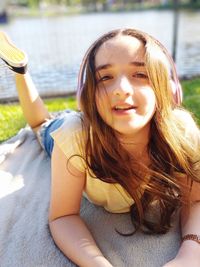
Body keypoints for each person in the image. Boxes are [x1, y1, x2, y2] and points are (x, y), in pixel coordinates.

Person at [0, 29, 200, 267]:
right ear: (89, 95)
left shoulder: (182, 132)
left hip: (102, 117)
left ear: (167, 90)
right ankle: (21, 70)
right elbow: (63, 217)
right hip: (78, 127)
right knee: (40, 125)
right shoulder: (74, 138)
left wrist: (191, 253)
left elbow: (195, 200)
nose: (121, 89)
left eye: (139, 73)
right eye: (105, 77)